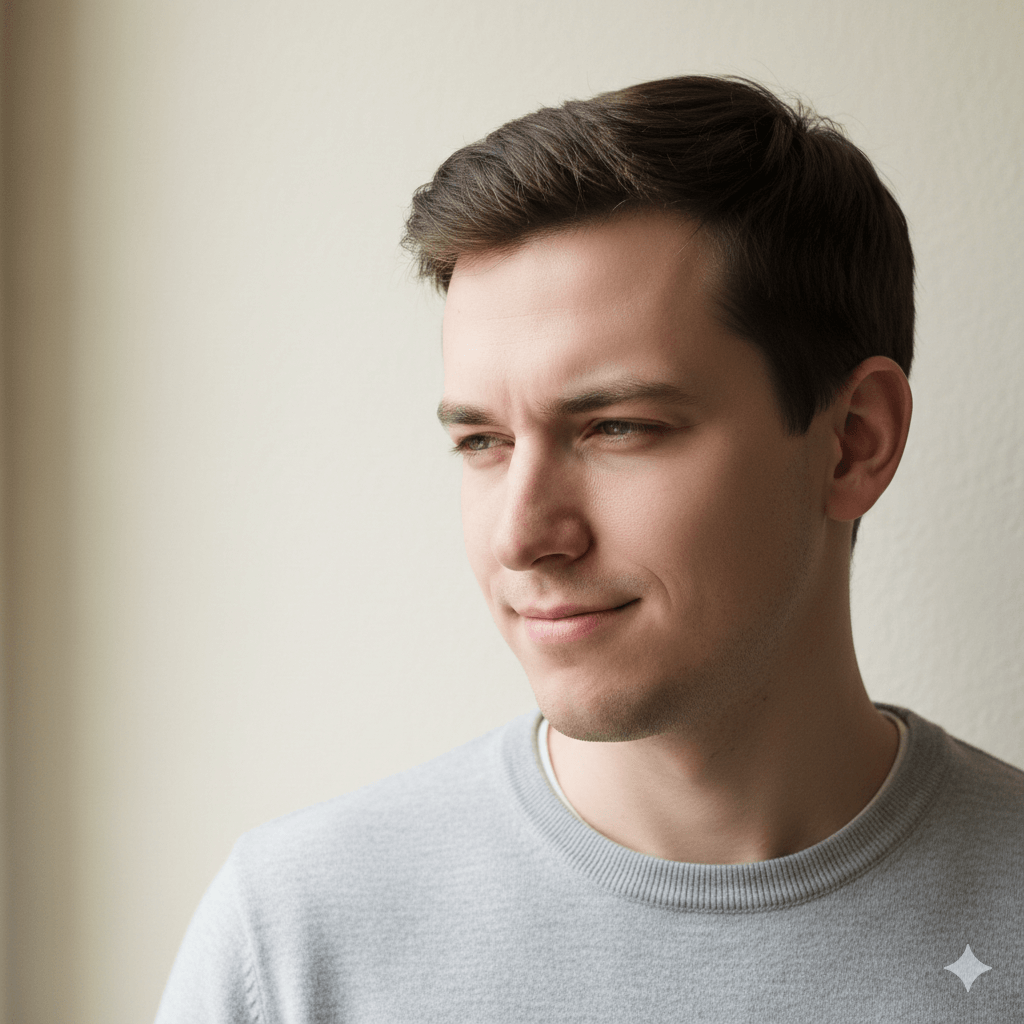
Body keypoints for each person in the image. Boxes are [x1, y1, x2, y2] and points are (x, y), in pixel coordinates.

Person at [155, 75, 1022, 1022]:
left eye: (617, 427)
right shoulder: (296, 939)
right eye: (481, 441)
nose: (523, 535)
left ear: (855, 440)